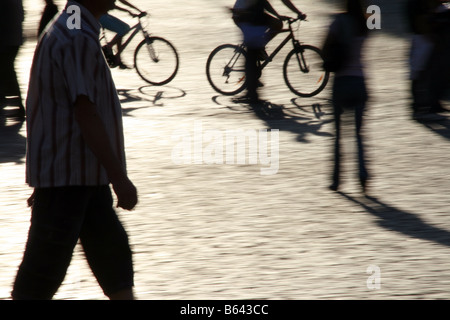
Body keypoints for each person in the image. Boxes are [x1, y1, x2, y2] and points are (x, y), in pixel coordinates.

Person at [12, 0, 138, 300]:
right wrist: (119, 177)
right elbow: (85, 111)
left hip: (82, 178)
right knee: (37, 282)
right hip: (67, 181)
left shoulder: (68, 29)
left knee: (116, 267)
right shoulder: (76, 37)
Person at [323, 0, 369, 193]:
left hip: (341, 82)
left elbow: (324, 47)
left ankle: (336, 180)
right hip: (360, 82)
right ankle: (363, 178)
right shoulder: (364, 24)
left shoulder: (338, 22)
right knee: (358, 135)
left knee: (338, 136)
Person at [232, 0, 307, 102]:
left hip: (255, 15)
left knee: (277, 24)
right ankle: (250, 90)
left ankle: (259, 47)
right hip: (242, 15)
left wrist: (298, 13)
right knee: (252, 49)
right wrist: (278, 15)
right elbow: (264, 3)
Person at [0, 0, 25, 119]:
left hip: (8, 40)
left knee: (7, 69)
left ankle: (16, 104)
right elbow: (21, 15)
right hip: (14, 38)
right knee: (7, 69)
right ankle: (13, 102)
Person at [100, 0, 142, 69]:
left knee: (125, 28)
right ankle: (111, 49)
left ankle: (113, 51)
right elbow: (112, 6)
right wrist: (129, 11)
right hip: (100, 16)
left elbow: (123, 2)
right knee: (122, 30)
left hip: (104, 15)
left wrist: (137, 10)